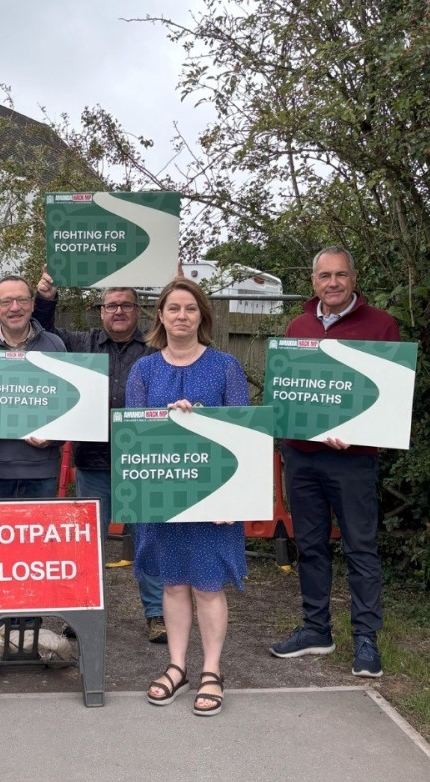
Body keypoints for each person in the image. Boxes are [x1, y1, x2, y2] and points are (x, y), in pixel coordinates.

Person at [269, 246, 400, 678]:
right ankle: (316, 630)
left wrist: (360, 432)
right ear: (313, 282)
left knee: (360, 548)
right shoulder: (297, 326)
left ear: (353, 277)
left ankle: (366, 639)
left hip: (352, 460)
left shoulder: (381, 326)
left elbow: (390, 399)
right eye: (325, 276)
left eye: (341, 275)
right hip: (302, 457)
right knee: (310, 546)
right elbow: (288, 394)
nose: (333, 283)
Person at [127, 278, 249, 717]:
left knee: (208, 586)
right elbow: (134, 436)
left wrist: (231, 499)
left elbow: (241, 434)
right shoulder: (143, 370)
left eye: (190, 309)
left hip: (214, 500)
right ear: (160, 316)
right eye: (173, 308)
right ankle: (176, 666)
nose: (182, 316)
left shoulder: (226, 366)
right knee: (174, 584)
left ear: (202, 316)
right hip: (162, 496)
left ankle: (212, 670)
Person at [33, 268, 167, 644]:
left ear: (139, 310)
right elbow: (42, 334)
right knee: (87, 545)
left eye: (126, 304)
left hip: (144, 464)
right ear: (101, 311)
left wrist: (176, 284)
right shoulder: (81, 343)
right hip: (93, 461)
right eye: (111, 305)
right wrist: (45, 298)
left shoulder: (158, 346)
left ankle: (156, 615)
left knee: (149, 542)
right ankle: (81, 613)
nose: (119, 311)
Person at [0, 275, 66, 500]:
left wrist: (53, 436)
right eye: (6, 302)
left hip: (42, 470)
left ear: (33, 304)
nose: (15, 308)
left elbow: (65, 403)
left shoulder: (54, 345)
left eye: (22, 300)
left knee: (39, 535)